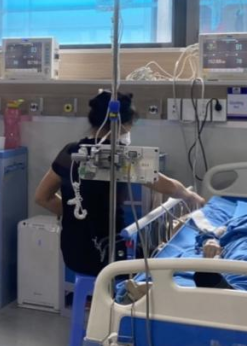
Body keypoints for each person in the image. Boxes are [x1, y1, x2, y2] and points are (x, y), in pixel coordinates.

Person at [33, 91, 205, 277]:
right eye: (131, 124)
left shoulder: (70, 152)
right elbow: (168, 186)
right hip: (109, 257)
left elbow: (42, 198)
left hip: (72, 253)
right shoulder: (118, 158)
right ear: (122, 124)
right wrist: (191, 196)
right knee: (166, 253)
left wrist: (77, 215)